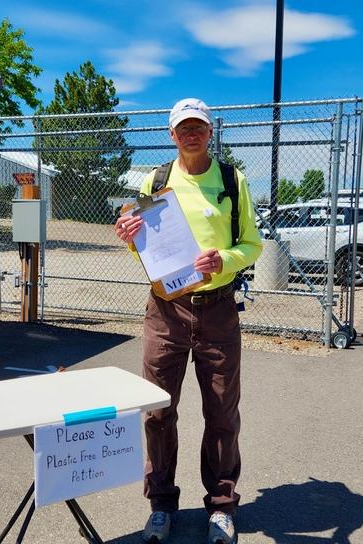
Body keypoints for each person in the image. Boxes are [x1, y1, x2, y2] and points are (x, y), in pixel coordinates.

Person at [114, 98, 262, 544]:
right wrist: (128, 237)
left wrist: (225, 260)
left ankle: (221, 508)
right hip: (166, 309)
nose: (191, 134)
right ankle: (161, 506)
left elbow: (252, 245)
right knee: (158, 411)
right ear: (172, 135)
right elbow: (144, 244)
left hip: (217, 307)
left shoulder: (233, 181)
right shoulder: (155, 180)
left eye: (199, 126)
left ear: (210, 132)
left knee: (221, 412)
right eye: (184, 128)